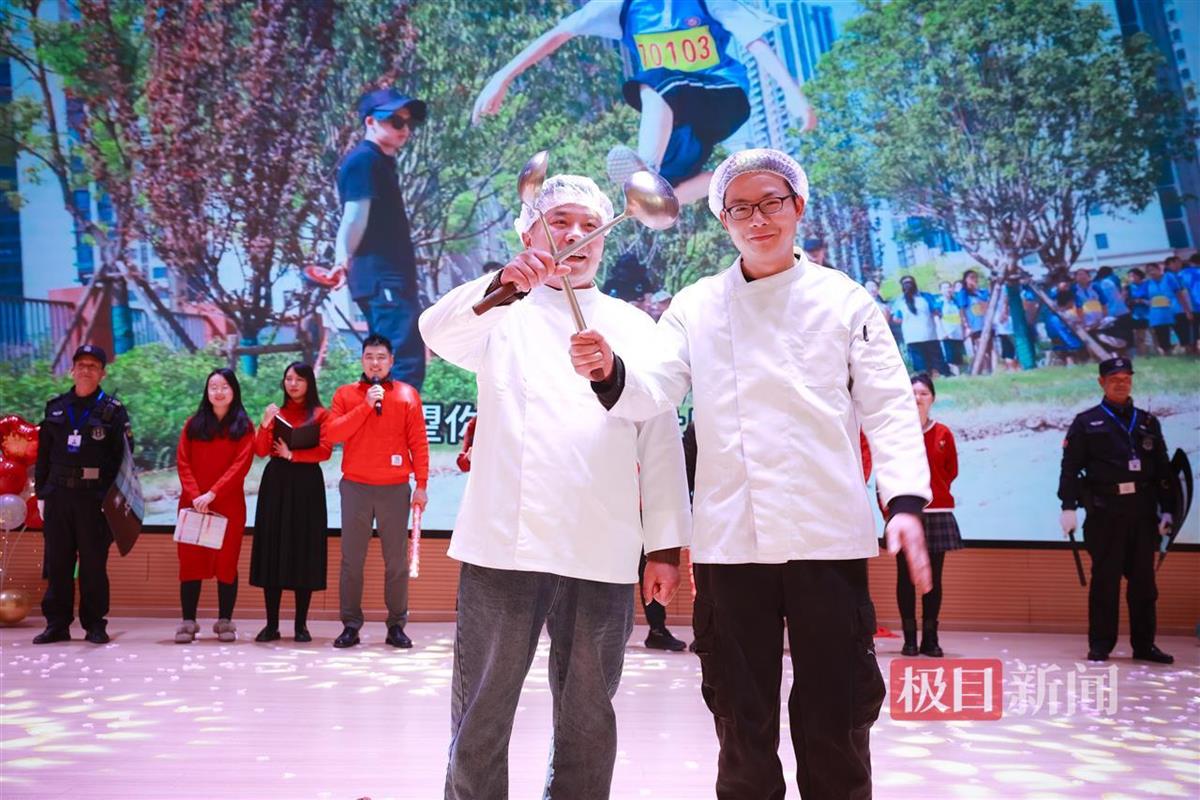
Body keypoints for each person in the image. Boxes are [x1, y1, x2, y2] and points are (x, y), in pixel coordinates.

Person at [569, 149, 932, 799]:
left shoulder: (844, 301)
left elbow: (888, 406)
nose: (757, 218)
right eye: (740, 208)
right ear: (724, 220)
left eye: (771, 203)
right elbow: (654, 387)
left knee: (837, 716)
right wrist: (609, 370)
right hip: (731, 544)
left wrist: (903, 502)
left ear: (798, 206)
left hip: (827, 539)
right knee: (741, 719)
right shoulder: (697, 306)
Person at [419, 174, 690, 799]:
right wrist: (502, 285)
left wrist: (665, 546)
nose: (575, 236)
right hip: (503, 545)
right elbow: (437, 332)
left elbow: (659, 437)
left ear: (605, 240)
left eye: (589, 226)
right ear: (529, 233)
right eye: (559, 222)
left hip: (603, 543)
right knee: (482, 711)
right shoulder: (501, 309)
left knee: (589, 716)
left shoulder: (634, 326)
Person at [472, 0, 814, 205]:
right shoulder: (620, 7)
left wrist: (794, 95)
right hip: (681, 120)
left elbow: (755, 43)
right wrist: (501, 77)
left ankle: (646, 168)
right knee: (668, 186)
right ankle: (720, 181)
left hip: (722, 96)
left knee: (655, 83)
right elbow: (558, 34)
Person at [1058, 357, 1176, 664]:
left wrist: (1168, 510)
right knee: (1105, 582)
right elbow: (1070, 468)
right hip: (1105, 512)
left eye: (1126, 378)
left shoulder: (1148, 421)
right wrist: (1068, 507)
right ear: (1102, 382)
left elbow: (1162, 469)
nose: (1121, 384)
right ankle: (1100, 644)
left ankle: (1144, 645)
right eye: (1114, 379)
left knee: (1144, 584)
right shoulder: (1086, 422)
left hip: (1142, 511)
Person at [323, 334, 429, 649]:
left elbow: (418, 442)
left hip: (395, 489)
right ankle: (350, 625)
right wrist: (366, 405)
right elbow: (333, 433)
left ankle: (396, 625)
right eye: (369, 357)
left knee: (395, 562)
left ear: (391, 361)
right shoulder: (346, 394)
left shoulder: (407, 395)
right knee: (351, 561)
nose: (375, 363)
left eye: (381, 357)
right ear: (362, 360)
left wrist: (422, 485)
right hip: (355, 487)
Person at [32, 345, 132, 645]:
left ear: (103, 373)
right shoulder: (56, 407)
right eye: (81, 365)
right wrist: (41, 492)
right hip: (59, 496)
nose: (86, 370)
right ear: (72, 370)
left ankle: (95, 625)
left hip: (93, 498)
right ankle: (57, 624)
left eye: (93, 365)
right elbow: (44, 454)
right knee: (58, 562)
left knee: (93, 564)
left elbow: (122, 458)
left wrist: (109, 500)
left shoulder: (113, 410)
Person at [330, 88, 429, 388]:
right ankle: (392, 420)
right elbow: (354, 217)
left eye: (408, 122)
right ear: (370, 121)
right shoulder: (364, 161)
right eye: (396, 121)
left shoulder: (378, 162)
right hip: (383, 280)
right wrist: (341, 260)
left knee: (392, 362)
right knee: (402, 363)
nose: (404, 129)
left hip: (386, 280)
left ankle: (383, 418)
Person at [250, 362, 332, 643]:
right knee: (273, 549)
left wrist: (293, 455)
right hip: (276, 483)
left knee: (303, 549)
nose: (293, 384)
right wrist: (264, 423)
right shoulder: (276, 413)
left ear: (309, 383)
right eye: (288, 379)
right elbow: (260, 451)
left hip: (307, 484)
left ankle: (301, 626)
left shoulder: (321, 414)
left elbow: (325, 451)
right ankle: (271, 625)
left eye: (299, 379)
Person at [174, 368, 255, 644]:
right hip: (193, 504)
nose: (218, 392)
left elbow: (240, 465)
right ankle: (188, 621)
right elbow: (183, 462)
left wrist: (213, 493)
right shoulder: (193, 424)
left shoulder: (244, 427)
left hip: (228, 505)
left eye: (224, 387)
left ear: (234, 391)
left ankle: (225, 621)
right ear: (207, 392)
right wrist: (196, 495)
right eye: (213, 387)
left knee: (226, 563)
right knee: (191, 562)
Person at [898, 374, 963, 657]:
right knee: (906, 578)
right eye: (913, 393)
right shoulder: (897, 433)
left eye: (924, 393)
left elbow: (951, 471)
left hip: (937, 513)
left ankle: (931, 638)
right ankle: (909, 639)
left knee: (933, 578)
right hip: (905, 513)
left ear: (932, 398)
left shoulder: (943, 433)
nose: (918, 398)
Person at [890, 275, 945, 375]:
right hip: (912, 337)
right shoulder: (899, 301)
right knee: (921, 366)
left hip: (929, 335)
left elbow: (936, 311)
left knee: (936, 361)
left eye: (910, 283)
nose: (908, 285)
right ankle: (925, 378)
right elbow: (896, 318)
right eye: (906, 283)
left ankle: (940, 375)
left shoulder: (926, 296)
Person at [1143, 262, 1188, 354]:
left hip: (1174, 311)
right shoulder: (1148, 283)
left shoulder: (1168, 278)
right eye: (1148, 271)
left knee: (1183, 334)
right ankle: (1167, 353)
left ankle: (1188, 351)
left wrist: (1187, 310)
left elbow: (1179, 294)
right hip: (1158, 314)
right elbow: (1143, 297)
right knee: (1162, 336)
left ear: (1159, 269)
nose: (1151, 272)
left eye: (1153, 269)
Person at [1163, 256, 1196, 353]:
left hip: (1179, 308)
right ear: (1169, 264)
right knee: (1186, 333)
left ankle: (1190, 351)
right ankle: (1190, 352)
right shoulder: (1170, 276)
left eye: (1180, 262)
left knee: (1186, 333)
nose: (1179, 264)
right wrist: (1187, 310)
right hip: (1179, 309)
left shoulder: (1177, 275)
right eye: (1176, 262)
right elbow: (1179, 294)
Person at [955, 268, 991, 358]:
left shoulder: (980, 292)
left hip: (985, 323)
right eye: (971, 277)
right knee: (980, 350)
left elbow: (987, 303)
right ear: (965, 279)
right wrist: (966, 326)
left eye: (976, 277)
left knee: (989, 349)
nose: (975, 279)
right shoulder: (963, 293)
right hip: (974, 326)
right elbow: (962, 310)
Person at [936, 280, 966, 374]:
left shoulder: (956, 302)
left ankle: (960, 375)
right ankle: (955, 375)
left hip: (958, 333)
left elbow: (961, 316)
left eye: (949, 287)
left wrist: (964, 330)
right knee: (950, 358)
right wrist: (942, 332)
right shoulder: (939, 302)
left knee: (959, 357)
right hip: (947, 334)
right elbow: (937, 318)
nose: (948, 289)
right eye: (945, 288)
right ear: (941, 290)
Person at [1126, 267, 1152, 354]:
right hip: (1136, 315)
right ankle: (1142, 353)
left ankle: (1158, 352)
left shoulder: (1148, 284)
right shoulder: (1129, 287)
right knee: (1139, 336)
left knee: (1154, 333)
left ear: (1139, 275)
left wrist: (1142, 301)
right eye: (1129, 276)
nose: (1131, 278)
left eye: (1133, 276)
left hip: (1149, 313)